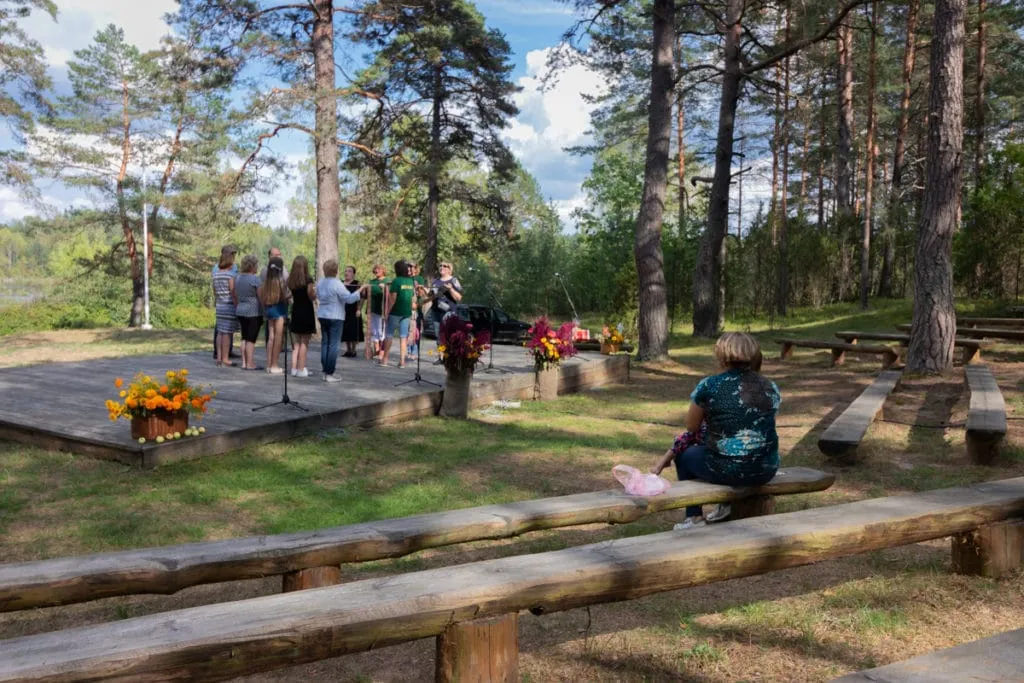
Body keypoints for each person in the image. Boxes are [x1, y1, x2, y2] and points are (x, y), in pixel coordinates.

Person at [650, 333, 779, 530]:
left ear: (720, 355)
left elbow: (691, 427)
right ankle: (725, 506)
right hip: (766, 469)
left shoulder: (709, 385)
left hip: (725, 468)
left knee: (685, 455)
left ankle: (693, 517)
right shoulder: (770, 386)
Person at [316, 259, 367, 382]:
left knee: (325, 343)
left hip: (323, 314)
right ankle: (329, 373)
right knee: (333, 344)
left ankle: (325, 369)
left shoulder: (321, 282)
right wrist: (360, 289)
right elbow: (349, 299)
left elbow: (318, 295)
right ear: (336, 270)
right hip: (335, 316)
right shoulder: (337, 283)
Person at [258, 257, 292, 374]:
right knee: (278, 337)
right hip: (279, 311)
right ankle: (274, 364)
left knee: (271, 338)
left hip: (269, 310)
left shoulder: (266, 282)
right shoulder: (280, 282)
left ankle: (268, 364)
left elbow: (262, 296)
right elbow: (283, 297)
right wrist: (289, 296)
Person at [382, 260, 416, 368]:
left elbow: (392, 298)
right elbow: (412, 297)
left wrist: (387, 313)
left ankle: (385, 359)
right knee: (403, 337)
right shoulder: (411, 281)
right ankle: (402, 361)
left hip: (395, 311)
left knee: (389, 335)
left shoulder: (396, 281)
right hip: (406, 312)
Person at [288, 256, 317, 377]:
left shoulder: (291, 280)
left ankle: (293, 368)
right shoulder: (308, 280)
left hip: (296, 310)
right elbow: (311, 296)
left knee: (296, 344)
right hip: (306, 311)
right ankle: (301, 368)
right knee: (304, 342)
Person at [233, 254, 263, 371]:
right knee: (251, 339)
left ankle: (244, 363)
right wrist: (264, 308)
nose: (257, 267)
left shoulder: (238, 278)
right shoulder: (255, 279)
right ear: (252, 266)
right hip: (253, 312)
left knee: (244, 337)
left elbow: (235, 293)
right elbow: (260, 296)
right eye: (256, 265)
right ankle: (250, 363)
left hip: (240, 310)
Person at [212, 246, 239, 367]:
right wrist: (236, 304)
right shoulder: (230, 276)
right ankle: (225, 358)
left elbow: (214, 291)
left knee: (220, 332)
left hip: (220, 305)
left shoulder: (216, 275)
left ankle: (218, 358)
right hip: (229, 306)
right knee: (227, 333)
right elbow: (233, 292)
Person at [427, 260, 463, 341]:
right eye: (440, 266)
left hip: (448, 312)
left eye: (444, 266)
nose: (441, 267)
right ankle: (441, 353)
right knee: (438, 335)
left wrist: (450, 289)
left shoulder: (453, 280)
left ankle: (448, 353)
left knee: (448, 335)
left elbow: (459, 298)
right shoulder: (435, 281)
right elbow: (430, 296)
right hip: (436, 311)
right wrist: (425, 291)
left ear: (449, 269)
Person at [365, 263, 389, 362]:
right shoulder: (372, 281)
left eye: (379, 269)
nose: (377, 271)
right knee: (373, 330)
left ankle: (382, 351)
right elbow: (366, 294)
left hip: (382, 310)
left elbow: (391, 293)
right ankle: (376, 349)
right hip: (372, 308)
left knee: (381, 331)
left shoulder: (387, 281)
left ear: (383, 270)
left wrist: (384, 287)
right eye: (375, 269)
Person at [340, 265, 363, 358]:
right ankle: (348, 349)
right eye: (345, 271)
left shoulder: (357, 283)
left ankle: (353, 350)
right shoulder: (341, 283)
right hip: (343, 309)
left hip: (354, 309)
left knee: (353, 329)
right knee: (345, 329)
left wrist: (359, 309)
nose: (347, 273)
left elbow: (361, 298)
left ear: (353, 274)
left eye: (349, 271)